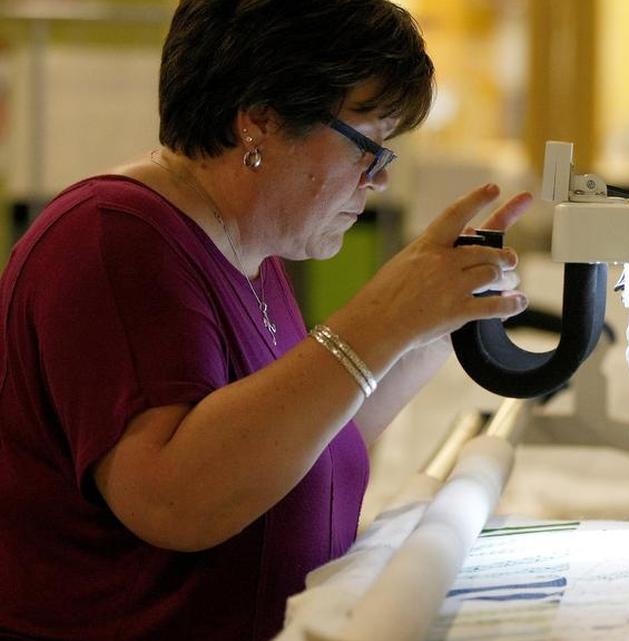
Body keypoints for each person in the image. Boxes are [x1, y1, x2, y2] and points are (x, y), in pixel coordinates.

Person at [0, 1, 530, 639]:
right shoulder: (113, 239)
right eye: (368, 147)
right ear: (260, 120)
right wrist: (382, 319)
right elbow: (175, 498)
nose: (377, 181)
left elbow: (306, 444)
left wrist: (436, 317)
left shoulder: (246, 249)